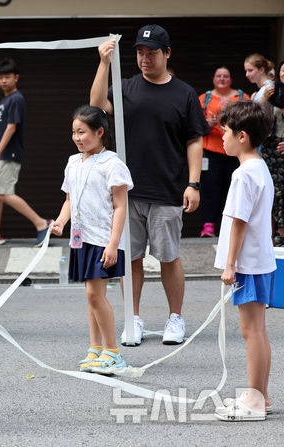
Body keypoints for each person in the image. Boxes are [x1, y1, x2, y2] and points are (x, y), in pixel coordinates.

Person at [90, 25, 209, 346]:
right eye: (140, 52)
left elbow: (195, 140)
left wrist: (193, 183)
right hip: (127, 190)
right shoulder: (126, 86)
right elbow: (97, 105)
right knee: (131, 257)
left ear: (167, 53)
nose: (145, 58)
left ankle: (175, 318)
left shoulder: (183, 93)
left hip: (169, 189)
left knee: (169, 257)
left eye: (152, 53)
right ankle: (134, 318)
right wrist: (103, 64)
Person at [50, 106, 133, 374]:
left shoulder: (113, 164)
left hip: (103, 238)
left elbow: (121, 207)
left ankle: (113, 351)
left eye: (82, 132)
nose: (77, 137)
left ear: (100, 132)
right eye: (74, 132)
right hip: (81, 238)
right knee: (92, 296)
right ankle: (95, 347)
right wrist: (61, 221)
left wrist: (113, 243)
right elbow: (69, 200)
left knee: (94, 294)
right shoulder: (74, 162)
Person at [213, 100, 275, 422]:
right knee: (259, 330)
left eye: (225, 132)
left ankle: (253, 400)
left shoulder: (242, 175)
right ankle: (260, 396)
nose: (221, 137)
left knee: (250, 330)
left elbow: (239, 221)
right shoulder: (260, 168)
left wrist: (230, 264)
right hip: (260, 261)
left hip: (247, 264)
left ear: (242, 136)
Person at [0, 58, 49, 247]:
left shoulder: (16, 98)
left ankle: (42, 223)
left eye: (7, 77)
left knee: (4, 193)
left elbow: (11, 127)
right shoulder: (5, 99)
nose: (3, 81)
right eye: (0, 77)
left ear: (16, 77)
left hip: (6, 154)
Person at [198, 67, 249, 237]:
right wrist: (208, 124)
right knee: (209, 188)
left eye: (225, 76)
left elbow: (250, 121)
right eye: (218, 76)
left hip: (235, 151)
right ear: (213, 79)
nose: (222, 79)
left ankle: (229, 225)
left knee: (232, 189)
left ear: (231, 79)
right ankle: (208, 225)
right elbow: (194, 124)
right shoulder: (204, 98)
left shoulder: (241, 97)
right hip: (211, 150)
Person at [263, 60, 284, 246]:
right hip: (271, 149)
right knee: (272, 191)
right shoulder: (273, 92)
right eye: (283, 71)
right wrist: (263, 99)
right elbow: (259, 118)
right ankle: (271, 234)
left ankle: (281, 232)